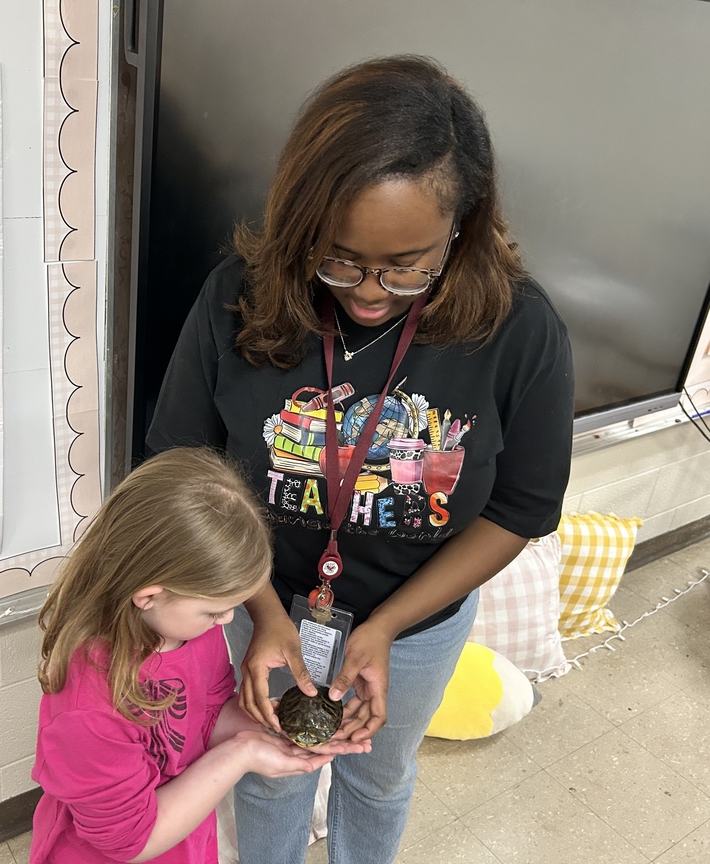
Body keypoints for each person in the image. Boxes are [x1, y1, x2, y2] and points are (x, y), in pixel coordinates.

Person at [146, 55, 574, 864]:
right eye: (337, 257)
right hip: (263, 605)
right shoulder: (238, 295)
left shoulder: (518, 328)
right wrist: (262, 611)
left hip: (417, 624)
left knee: (378, 779)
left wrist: (387, 626)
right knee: (269, 773)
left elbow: (522, 508)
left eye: (407, 265)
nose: (370, 292)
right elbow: (182, 465)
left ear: (461, 228)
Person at [30, 447, 366, 863]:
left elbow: (202, 719)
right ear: (149, 596)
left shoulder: (188, 632)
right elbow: (129, 842)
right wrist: (240, 755)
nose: (227, 620)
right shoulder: (87, 709)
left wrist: (272, 725)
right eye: (214, 610)